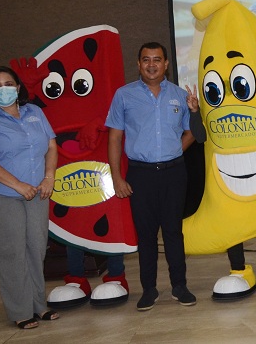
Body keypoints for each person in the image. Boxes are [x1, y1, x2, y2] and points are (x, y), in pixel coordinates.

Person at [106, 42, 197, 311]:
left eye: (157, 59)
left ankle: (179, 286)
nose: (152, 64)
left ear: (166, 64)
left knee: (173, 232)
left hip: (174, 174)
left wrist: (173, 151)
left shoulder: (180, 95)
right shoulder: (123, 96)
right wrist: (116, 177)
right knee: (145, 235)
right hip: (139, 175)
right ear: (138, 64)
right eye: (146, 59)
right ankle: (149, 289)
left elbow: (191, 131)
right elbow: (115, 137)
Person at [0, 66, 60, 329]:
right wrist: (19, 185)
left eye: (8, 84)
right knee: (12, 253)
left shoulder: (35, 112)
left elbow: (52, 146)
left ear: (18, 87)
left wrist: (49, 177)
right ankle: (20, 311)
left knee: (35, 247)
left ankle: (39, 305)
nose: (3, 89)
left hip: (37, 192)